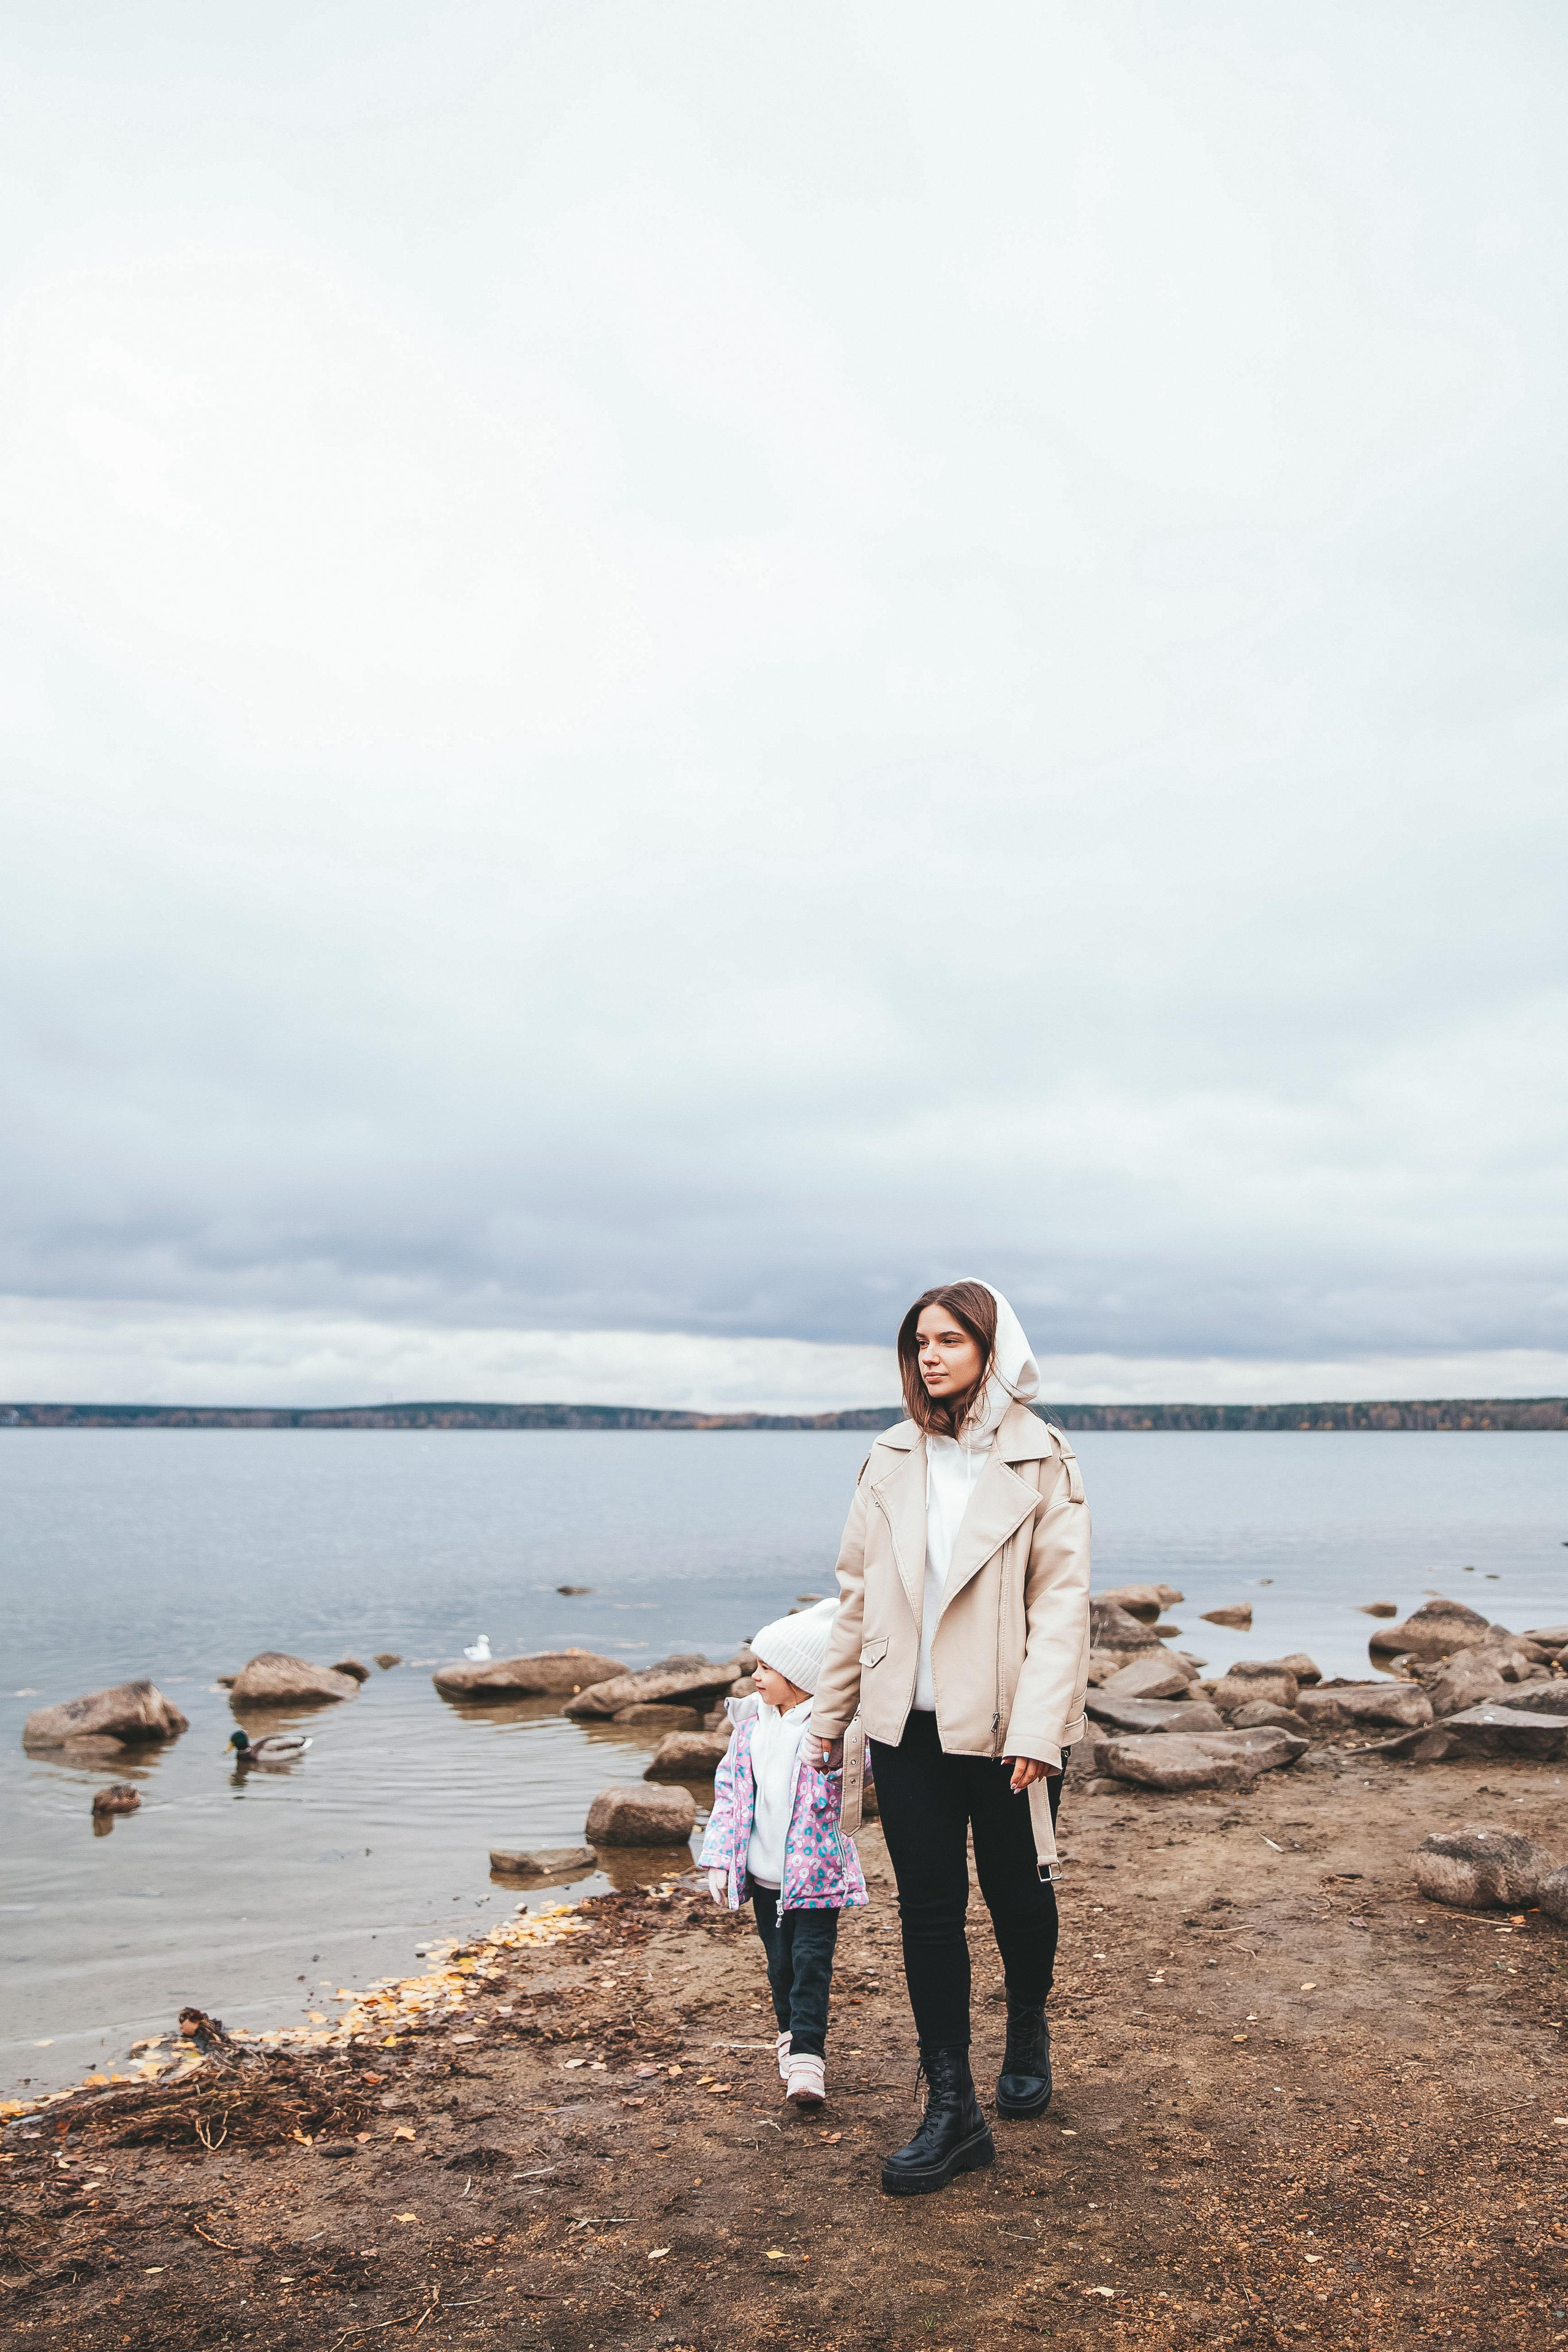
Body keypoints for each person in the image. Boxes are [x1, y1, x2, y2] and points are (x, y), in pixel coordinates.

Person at [806, 1280, 1090, 2195]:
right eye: (920, 1342)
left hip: (1009, 1728)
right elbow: (856, 1596)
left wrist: (1040, 1729)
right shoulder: (890, 1456)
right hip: (905, 1724)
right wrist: (829, 1718)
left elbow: (1062, 1605)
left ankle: (1027, 2025)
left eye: (951, 1341)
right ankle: (952, 2107)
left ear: (994, 1350)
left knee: (1017, 1896)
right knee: (928, 1911)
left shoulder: (1043, 1458)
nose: (930, 1356)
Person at [699, 1597, 869, 2109]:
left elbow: (859, 1779)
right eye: (756, 1664)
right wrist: (719, 1858)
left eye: (767, 1668)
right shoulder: (751, 1725)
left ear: (801, 1676)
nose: (755, 1676)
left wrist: (837, 1758)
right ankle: (788, 2036)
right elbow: (730, 1795)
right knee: (780, 1966)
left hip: (816, 1876)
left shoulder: (830, 1732)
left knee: (811, 1962)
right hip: (764, 1875)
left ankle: (808, 2059)